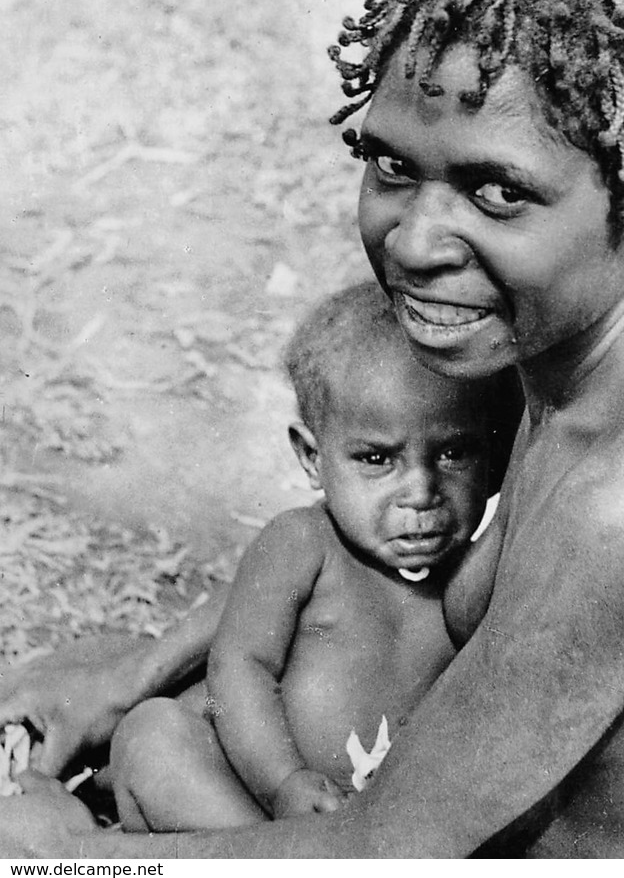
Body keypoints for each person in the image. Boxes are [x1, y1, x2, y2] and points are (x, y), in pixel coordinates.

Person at [2, 0, 624, 857]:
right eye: (393, 165)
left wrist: (53, 856)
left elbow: (382, 856)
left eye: (495, 190)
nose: (415, 240)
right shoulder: (587, 336)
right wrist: (134, 670)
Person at [107, 281, 513, 831]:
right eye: (377, 459)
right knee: (151, 736)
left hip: (388, 831)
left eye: (453, 452)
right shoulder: (303, 544)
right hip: (260, 804)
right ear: (311, 458)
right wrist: (283, 784)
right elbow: (240, 667)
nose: (421, 492)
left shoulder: (480, 570)